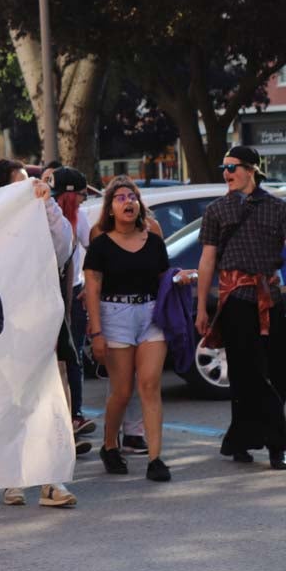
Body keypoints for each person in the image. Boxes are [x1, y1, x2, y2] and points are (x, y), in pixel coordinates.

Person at [0, 159, 78, 508]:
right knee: (12, 399)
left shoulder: (41, 213)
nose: (28, 187)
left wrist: (47, 203)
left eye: (28, 182)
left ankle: (51, 479)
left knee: (47, 397)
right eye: (19, 183)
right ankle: (12, 475)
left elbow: (64, 248)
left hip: (40, 318)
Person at [84, 178, 180, 482]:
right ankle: (110, 445)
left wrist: (180, 278)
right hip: (115, 315)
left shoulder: (153, 237)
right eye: (120, 197)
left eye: (133, 197)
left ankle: (155, 458)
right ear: (110, 208)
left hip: (151, 314)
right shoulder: (100, 242)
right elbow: (92, 288)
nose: (128, 202)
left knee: (150, 385)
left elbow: (164, 276)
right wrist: (97, 333)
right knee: (122, 391)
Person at [196, 147, 286, 470]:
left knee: (276, 370)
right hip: (234, 299)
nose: (226, 173)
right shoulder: (216, 210)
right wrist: (201, 309)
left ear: (251, 170)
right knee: (245, 373)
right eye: (224, 167)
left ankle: (264, 442)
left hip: (271, 298)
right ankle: (257, 441)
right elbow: (207, 260)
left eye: (232, 167)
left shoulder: (278, 208)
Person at [49, 168, 94, 436]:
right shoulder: (44, 216)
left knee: (72, 357)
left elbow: (96, 251)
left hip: (72, 293)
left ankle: (74, 413)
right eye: (80, 196)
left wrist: (90, 285)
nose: (82, 202)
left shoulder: (82, 219)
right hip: (47, 294)